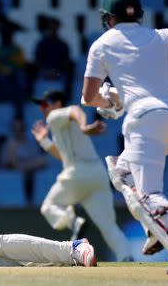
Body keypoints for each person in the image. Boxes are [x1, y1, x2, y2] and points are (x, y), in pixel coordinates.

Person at [81, 0, 168, 274]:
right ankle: (154, 228)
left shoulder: (102, 44)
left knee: (148, 193)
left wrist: (110, 102)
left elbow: (88, 96)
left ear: (109, 18)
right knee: (120, 170)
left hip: (144, 122)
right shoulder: (159, 36)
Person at [30, 90, 133, 262]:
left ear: (57, 104)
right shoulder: (60, 125)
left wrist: (85, 127)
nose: (42, 109)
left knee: (48, 207)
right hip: (97, 175)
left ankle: (74, 223)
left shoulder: (55, 115)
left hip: (78, 173)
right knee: (109, 226)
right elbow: (63, 155)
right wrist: (44, 141)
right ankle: (127, 257)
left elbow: (75, 110)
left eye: (45, 104)